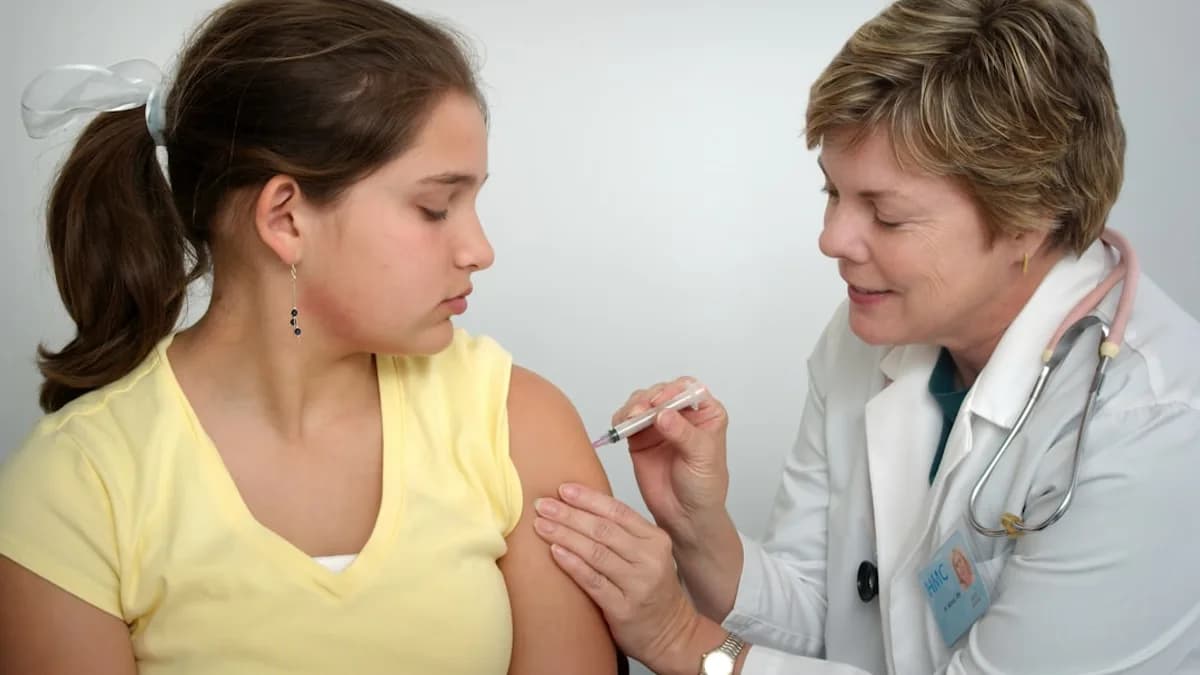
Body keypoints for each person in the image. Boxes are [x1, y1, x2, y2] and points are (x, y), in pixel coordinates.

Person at [530, 0, 1200, 673]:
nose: (832, 240)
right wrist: (697, 531)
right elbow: (833, 617)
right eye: (833, 194)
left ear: (1028, 215)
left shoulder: (1152, 428)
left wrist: (680, 640)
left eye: (886, 214)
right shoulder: (873, 331)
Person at [0, 1, 620, 673]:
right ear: (287, 220)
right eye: (435, 207)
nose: (478, 249)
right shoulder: (76, 484)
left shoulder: (517, 426)